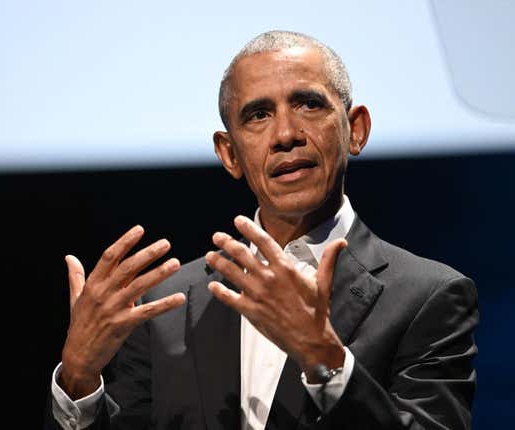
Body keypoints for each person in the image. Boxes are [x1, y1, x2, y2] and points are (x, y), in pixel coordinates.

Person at [45, 30, 478, 429]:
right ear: (229, 153)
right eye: (258, 115)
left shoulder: (429, 296)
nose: (286, 134)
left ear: (355, 130)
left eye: (309, 104)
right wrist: (79, 380)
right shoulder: (167, 305)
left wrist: (325, 361)